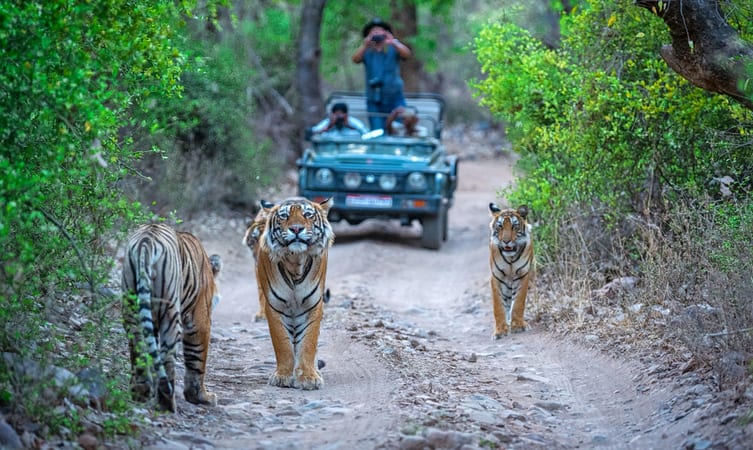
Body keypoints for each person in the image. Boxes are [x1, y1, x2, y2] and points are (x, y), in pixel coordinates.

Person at [351, 18, 412, 131]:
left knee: (399, 129)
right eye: (373, 32)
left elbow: (407, 54)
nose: (376, 34)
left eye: (379, 31)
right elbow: (355, 59)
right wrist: (365, 45)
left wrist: (393, 41)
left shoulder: (393, 49)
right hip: (374, 99)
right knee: (377, 131)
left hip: (395, 98)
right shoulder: (367, 51)